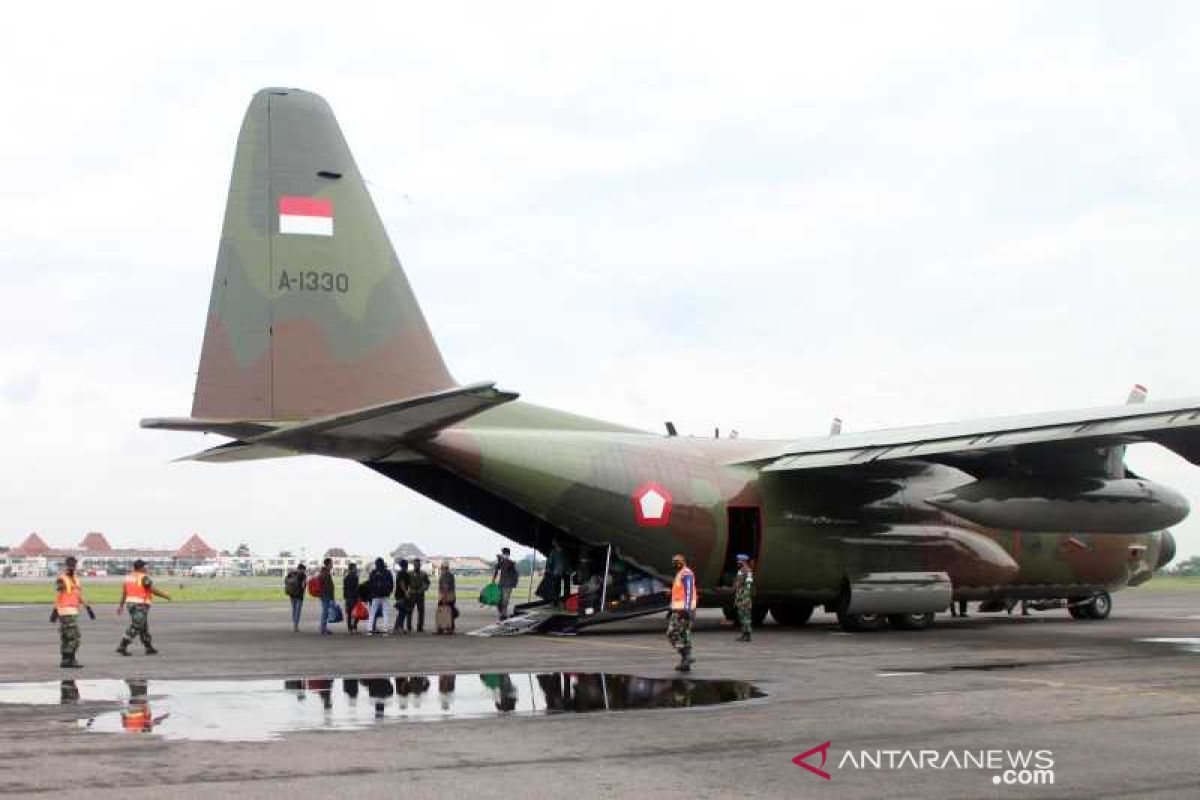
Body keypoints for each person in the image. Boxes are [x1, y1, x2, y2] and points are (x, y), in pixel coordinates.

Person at [116, 559, 171, 655]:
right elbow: (151, 589)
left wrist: (121, 605)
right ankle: (123, 645)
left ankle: (148, 647)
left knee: (143, 627)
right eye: (144, 566)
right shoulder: (143, 577)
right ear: (140, 567)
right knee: (136, 625)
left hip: (130, 604)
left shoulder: (128, 577)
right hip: (140, 605)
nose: (146, 568)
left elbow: (125, 593)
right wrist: (164, 595)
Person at [53, 556, 93, 668]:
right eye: (70, 565)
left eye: (73, 565)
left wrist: (88, 607)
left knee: (67, 636)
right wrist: (55, 610)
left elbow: (78, 595)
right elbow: (59, 594)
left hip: (73, 611)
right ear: (66, 566)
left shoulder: (75, 579)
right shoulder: (62, 579)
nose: (72, 567)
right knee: (74, 637)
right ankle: (69, 659)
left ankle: (66, 659)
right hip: (65, 612)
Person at [667, 553, 697, 672]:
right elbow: (678, 594)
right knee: (684, 634)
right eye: (674, 562)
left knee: (672, 633)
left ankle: (687, 656)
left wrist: (687, 608)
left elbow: (689, 591)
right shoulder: (679, 574)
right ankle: (686, 662)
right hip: (678, 609)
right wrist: (671, 609)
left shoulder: (686, 573)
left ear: (682, 562)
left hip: (684, 610)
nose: (674, 564)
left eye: (676, 562)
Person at [492, 547, 520, 620]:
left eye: (504, 553)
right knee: (498, 600)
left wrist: (502, 559)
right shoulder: (501, 562)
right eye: (503, 553)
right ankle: (502, 613)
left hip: (508, 585)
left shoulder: (510, 563)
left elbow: (508, 565)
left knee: (505, 600)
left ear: (507, 554)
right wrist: (493, 581)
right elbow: (496, 569)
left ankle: (503, 615)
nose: (503, 555)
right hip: (501, 584)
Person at [732, 554, 755, 642]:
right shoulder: (741, 571)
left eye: (740, 561)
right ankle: (744, 634)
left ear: (744, 561)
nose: (738, 563)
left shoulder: (748, 571)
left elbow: (748, 586)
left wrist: (745, 598)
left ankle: (747, 634)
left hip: (744, 597)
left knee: (746, 616)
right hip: (740, 596)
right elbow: (738, 583)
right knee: (742, 616)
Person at [367, 558, 393, 635]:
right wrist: (389, 592)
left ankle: (369, 629)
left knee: (372, 613)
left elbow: (370, 584)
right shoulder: (387, 572)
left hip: (375, 596)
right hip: (385, 595)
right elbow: (391, 584)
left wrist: (371, 593)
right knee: (385, 612)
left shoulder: (373, 572)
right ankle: (385, 630)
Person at [546, 539, 571, 608]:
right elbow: (550, 562)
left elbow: (550, 562)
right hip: (559, 572)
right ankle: (557, 601)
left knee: (561, 587)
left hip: (562, 571)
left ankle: (561, 601)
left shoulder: (557, 552)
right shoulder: (555, 552)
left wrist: (549, 569)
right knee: (558, 587)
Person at [284, 562, 307, 632]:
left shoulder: (291, 573)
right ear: (302, 569)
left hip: (292, 594)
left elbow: (285, 581)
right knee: (298, 611)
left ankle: (295, 624)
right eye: (304, 570)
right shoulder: (303, 575)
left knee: (294, 610)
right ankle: (296, 626)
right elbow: (303, 585)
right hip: (299, 596)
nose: (304, 571)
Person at [409, 558, 430, 632]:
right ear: (413, 565)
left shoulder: (424, 574)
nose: (416, 566)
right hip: (411, 594)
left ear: (420, 565)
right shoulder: (409, 573)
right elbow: (406, 584)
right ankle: (409, 627)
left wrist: (423, 589)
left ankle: (420, 627)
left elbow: (427, 583)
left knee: (421, 612)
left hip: (420, 594)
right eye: (415, 564)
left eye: (418, 564)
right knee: (409, 611)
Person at [436, 561, 457, 634]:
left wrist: (444, 599)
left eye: (442, 568)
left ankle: (444, 628)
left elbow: (445, 587)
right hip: (451, 597)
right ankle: (447, 628)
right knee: (449, 612)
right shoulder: (449, 575)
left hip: (446, 597)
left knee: (445, 613)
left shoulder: (445, 576)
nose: (441, 569)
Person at [392, 559, 411, 634]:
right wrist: (406, 592)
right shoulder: (402, 573)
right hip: (401, 595)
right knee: (403, 611)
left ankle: (397, 628)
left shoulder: (402, 573)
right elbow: (402, 583)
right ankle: (399, 628)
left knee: (402, 612)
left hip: (400, 594)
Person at [318, 558, 335, 635]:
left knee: (325, 612)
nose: (332, 565)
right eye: (331, 563)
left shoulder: (326, 572)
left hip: (326, 594)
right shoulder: (325, 572)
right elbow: (326, 585)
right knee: (325, 612)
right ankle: (322, 629)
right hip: (325, 594)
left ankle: (324, 628)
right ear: (328, 564)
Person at [343, 562, 361, 634]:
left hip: (348, 597)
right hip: (354, 597)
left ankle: (349, 628)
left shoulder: (346, 577)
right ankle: (354, 627)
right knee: (357, 613)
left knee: (349, 613)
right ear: (353, 569)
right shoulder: (355, 577)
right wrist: (359, 597)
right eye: (355, 568)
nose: (356, 569)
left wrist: (345, 597)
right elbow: (356, 588)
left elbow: (344, 588)